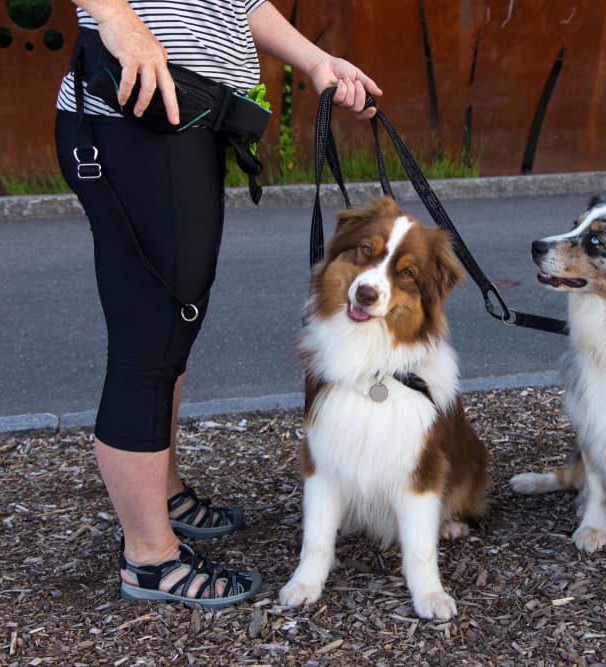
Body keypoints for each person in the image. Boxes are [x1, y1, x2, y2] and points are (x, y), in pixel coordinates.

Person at [54, 0, 382, 608]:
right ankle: (149, 558)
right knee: (147, 345)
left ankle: (166, 496)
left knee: (172, 331)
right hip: (135, 118)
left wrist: (317, 63)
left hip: (187, 115)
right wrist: (120, 23)